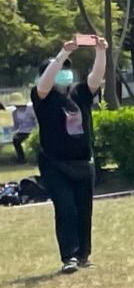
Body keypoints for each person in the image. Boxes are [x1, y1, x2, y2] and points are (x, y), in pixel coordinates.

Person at [29, 34, 105, 273]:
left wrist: (101, 52)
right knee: (66, 208)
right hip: (55, 164)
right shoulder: (43, 97)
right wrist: (63, 53)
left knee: (84, 209)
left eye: (67, 69)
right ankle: (69, 257)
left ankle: (83, 255)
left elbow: (95, 78)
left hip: (83, 163)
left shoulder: (79, 94)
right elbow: (44, 83)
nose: (65, 73)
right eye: (61, 69)